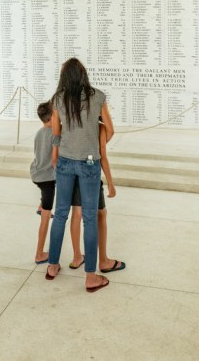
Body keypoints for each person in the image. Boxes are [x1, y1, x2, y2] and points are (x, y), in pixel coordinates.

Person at [45, 57, 114, 293]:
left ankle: (52, 265)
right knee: (90, 218)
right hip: (89, 163)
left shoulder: (58, 99)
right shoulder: (98, 96)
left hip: (64, 161)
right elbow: (110, 129)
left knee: (61, 214)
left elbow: (56, 132)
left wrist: (56, 154)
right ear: (83, 74)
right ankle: (91, 277)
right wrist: (93, 143)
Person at [68, 117, 125, 273]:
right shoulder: (99, 128)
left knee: (77, 213)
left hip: (73, 172)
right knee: (101, 214)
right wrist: (111, 184)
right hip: (91, 174)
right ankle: (104, 261)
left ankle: (76, 257)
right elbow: (103, 156)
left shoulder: (75, 123)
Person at [30, 100, 56, 265]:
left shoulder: (39, 132)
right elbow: (54, 161)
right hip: (47, 178)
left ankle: (41, 205)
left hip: (35, 174)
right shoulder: (55, 134)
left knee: (45, 193)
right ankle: (39, 253)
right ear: (52, 117)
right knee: (46, 217)